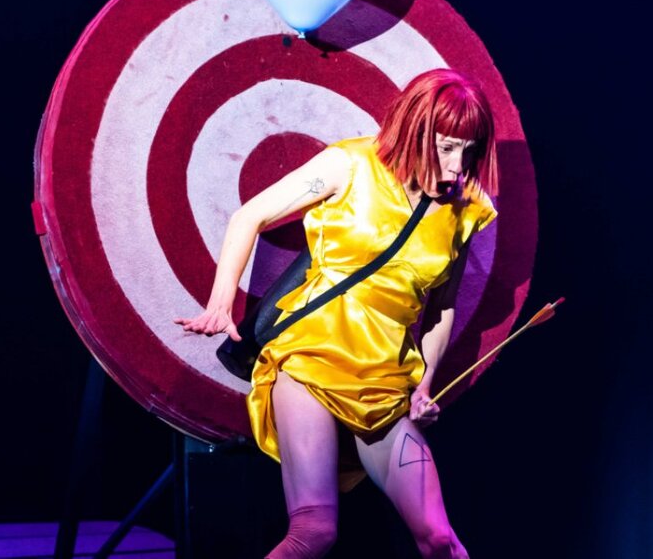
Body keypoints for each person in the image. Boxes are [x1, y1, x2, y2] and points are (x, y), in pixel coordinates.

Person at [175, 68, 498, 559]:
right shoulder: (351, 164)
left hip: (384, 382)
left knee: (440, 541)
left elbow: (441, 308)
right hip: (311, 358)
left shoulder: (466, 206)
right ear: (413, 131)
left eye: (468, 150)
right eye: (446, 147)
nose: (457, 166)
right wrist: (221, 304)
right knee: (314, 532)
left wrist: (425, 387)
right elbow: (250, 215)